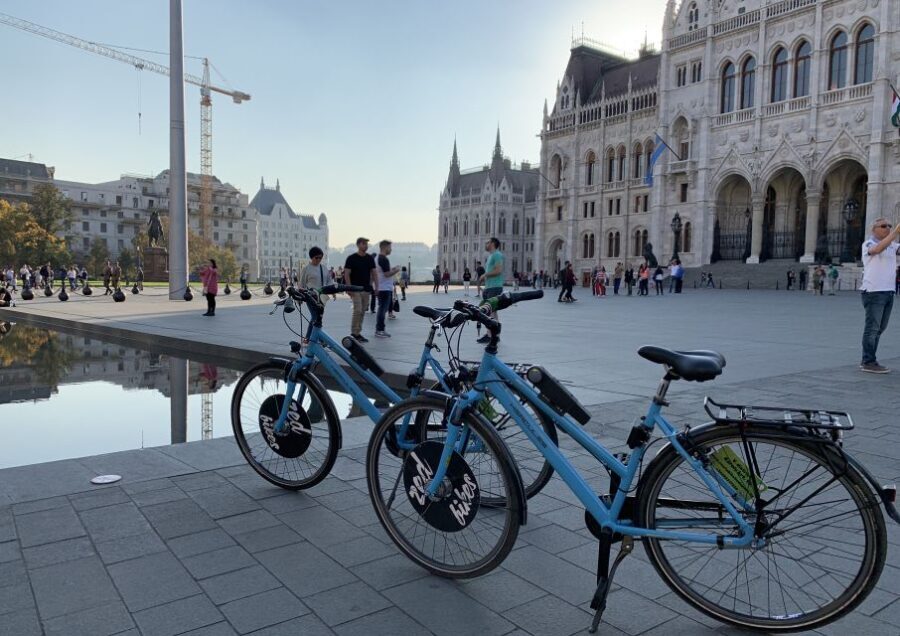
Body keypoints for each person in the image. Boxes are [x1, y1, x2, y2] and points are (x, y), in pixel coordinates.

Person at [859, 218, 900, 373]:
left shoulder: (892, 246)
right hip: (874, 292)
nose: (887, 228)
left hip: (888, 291)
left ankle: (869, 358)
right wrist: (895, 232)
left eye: (889, 226)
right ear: (874, 229)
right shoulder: (868, 244)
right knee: (872, 328)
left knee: (880, 327)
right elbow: (877, 250)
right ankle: (868, 361)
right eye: (883, 226)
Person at [344, 237, 376, 343]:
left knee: (362, 311)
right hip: (355, 288)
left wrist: (377, 286)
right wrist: (348, 287)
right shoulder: (351, 258)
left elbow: (374, 273)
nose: (365, 246)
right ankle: (354, 333)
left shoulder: (369, 258)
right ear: (358, 245)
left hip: (366, 289)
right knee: (357, 310)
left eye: (366, 244)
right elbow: (347, 273)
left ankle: (358, 333)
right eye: (363, 244)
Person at [478, 237, 505, 343]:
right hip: (490, 287)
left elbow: (498, 270)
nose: (486, 244)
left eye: (488, 242)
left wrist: (485, 275)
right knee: (492, 311)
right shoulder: (491, 256)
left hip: (494, 287)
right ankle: (493, 334)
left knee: (490, 311)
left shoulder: (497, 255)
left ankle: (492, 335)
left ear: (493, 244)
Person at [374, 240, 401, 338]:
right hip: (385, 288)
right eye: (390, 247)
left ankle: (379, 329)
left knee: (381, 309)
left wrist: (392, 269)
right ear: (385, 247)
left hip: (381, 287)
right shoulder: (383, 259)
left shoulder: (377, 258)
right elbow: (386, 274)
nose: (391, 249)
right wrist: (396, 270)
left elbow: (383, 272)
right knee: (382, 310)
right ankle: (380, 330)